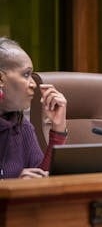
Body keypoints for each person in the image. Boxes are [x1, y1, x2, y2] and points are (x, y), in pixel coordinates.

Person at [0, 37, 67, 179]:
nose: (33, 84)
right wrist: (11, 184)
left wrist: (58, 128)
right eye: (26, 74)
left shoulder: (21, 125)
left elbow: (42, 178)